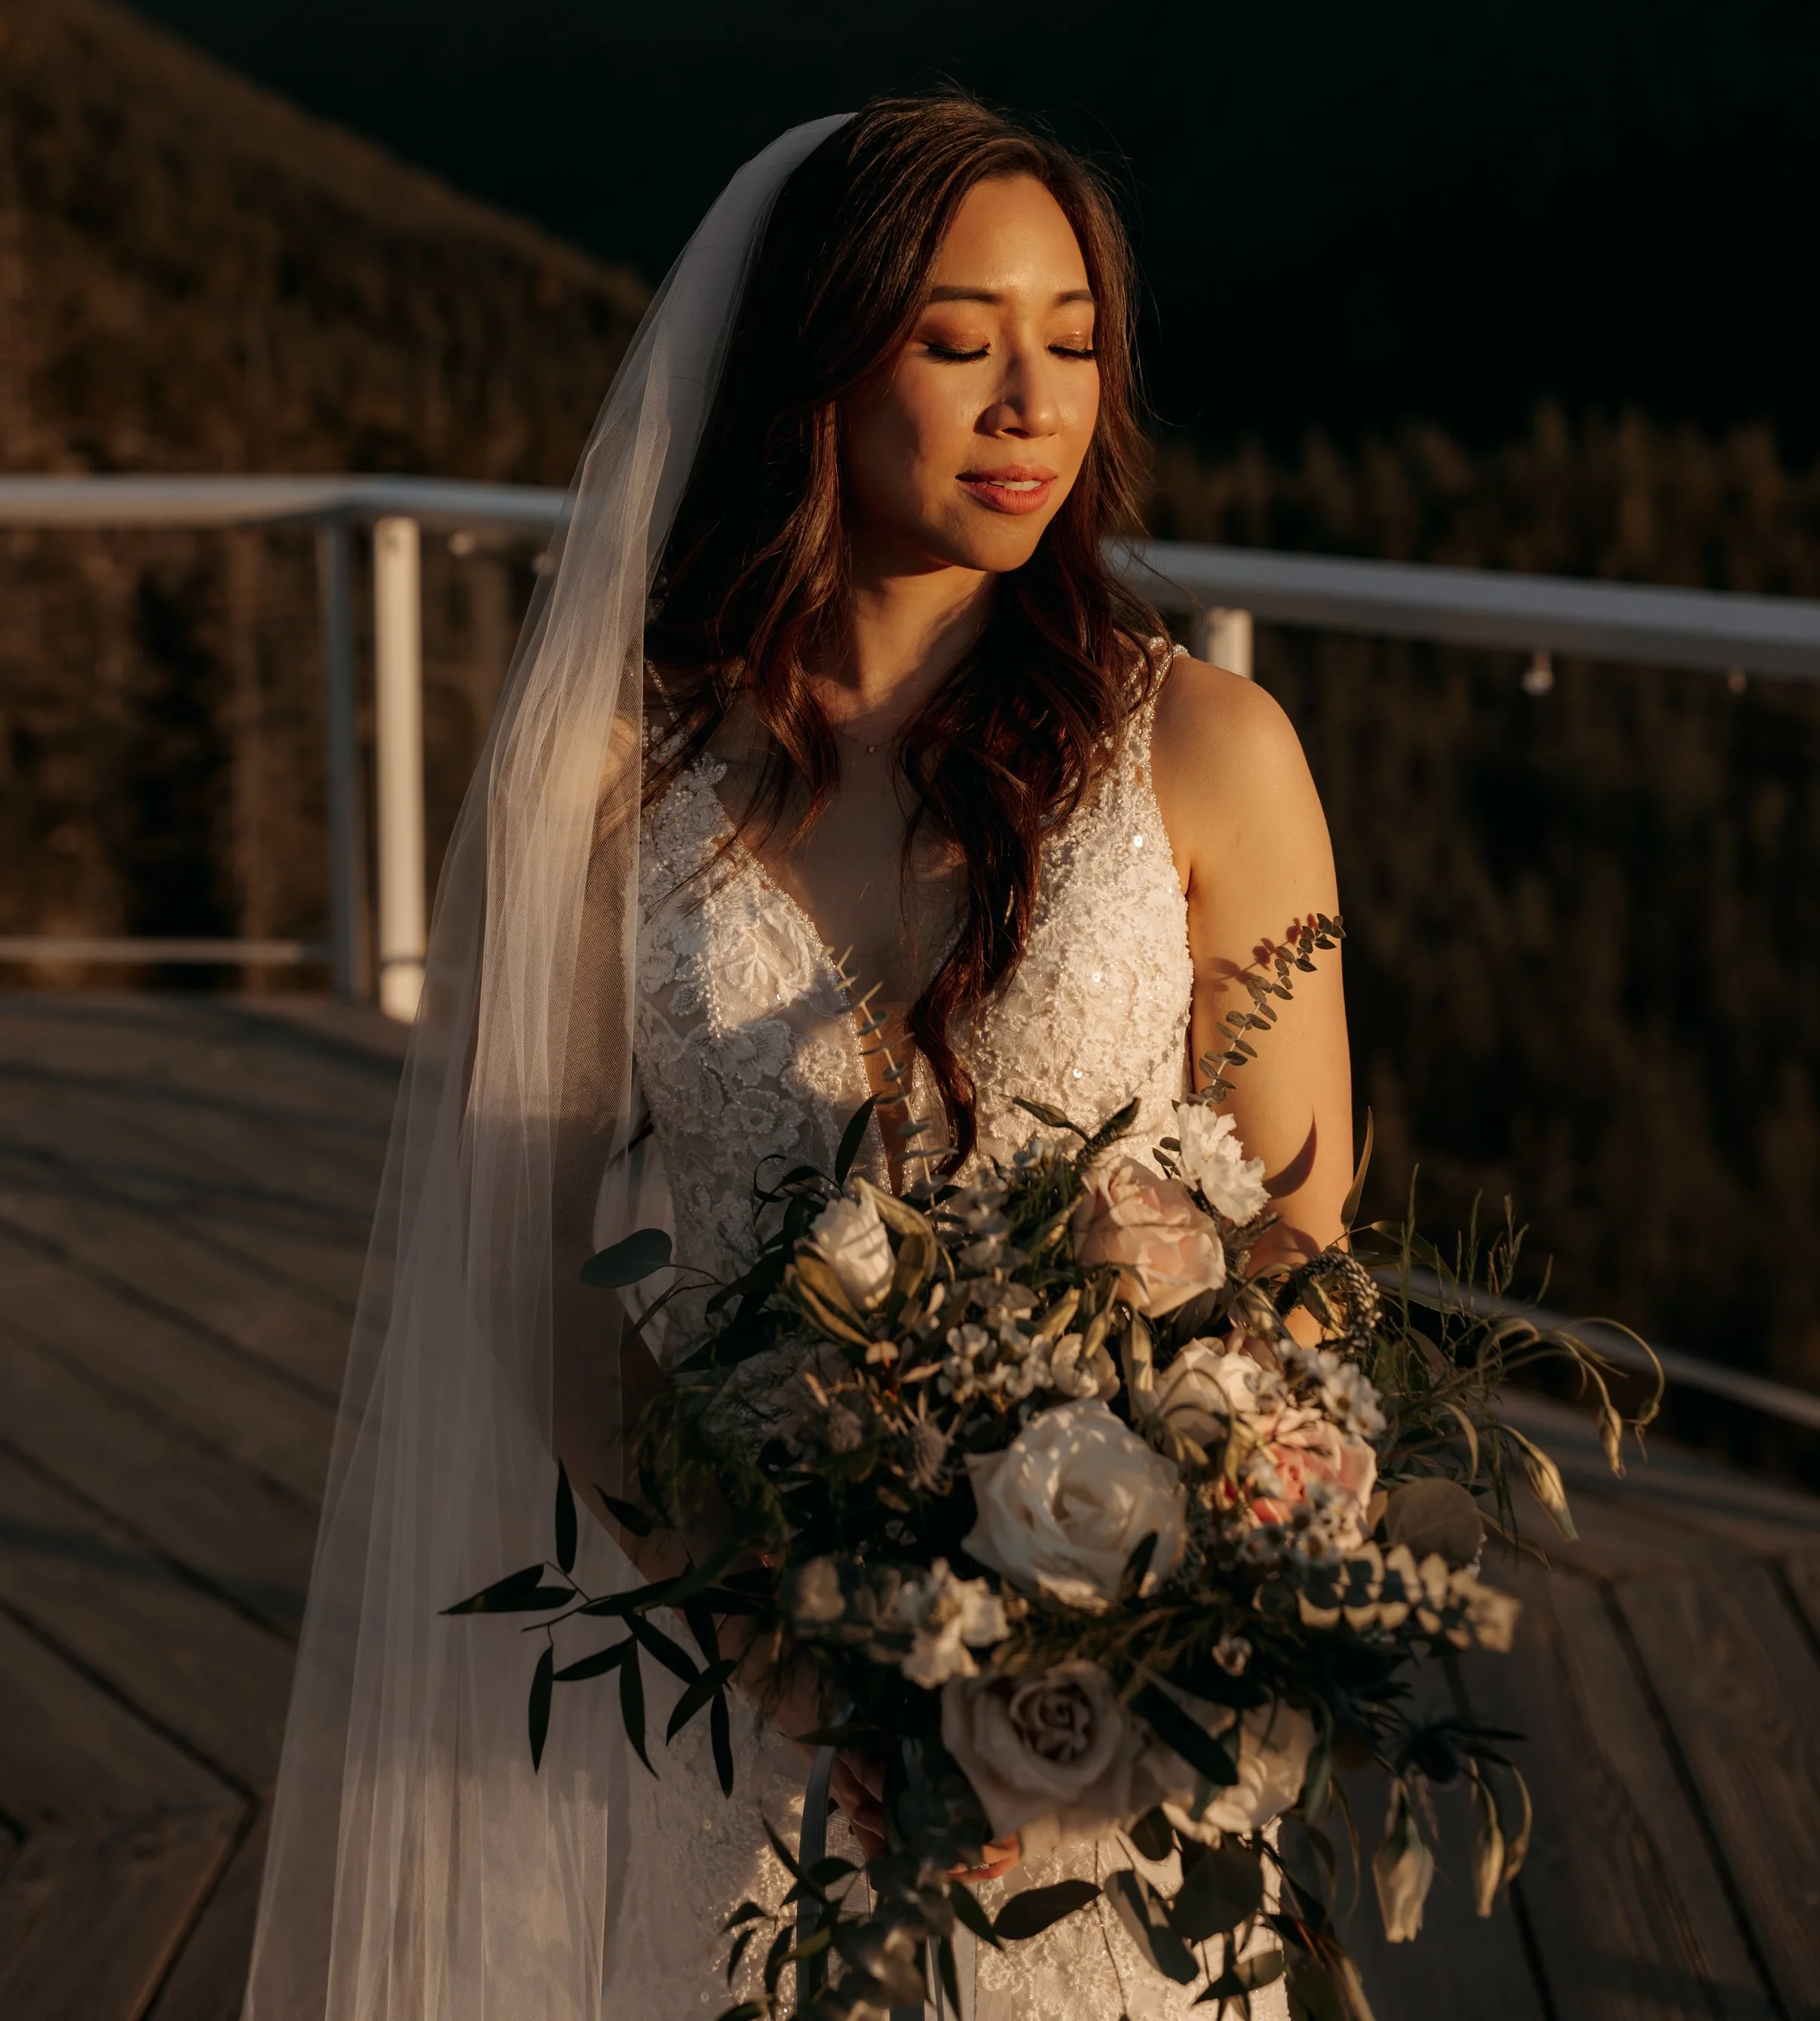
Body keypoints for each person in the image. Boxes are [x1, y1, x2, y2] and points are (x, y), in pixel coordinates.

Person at [244, 98, 1352, 2021]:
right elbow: (532, 1265)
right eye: (956, 338)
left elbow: (1302, 1237)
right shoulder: (612, 779)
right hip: (748, 1692)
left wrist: (1129, 1607)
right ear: (812, 371)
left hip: (1102, 1707)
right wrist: (787, 1641)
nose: (1033, 400)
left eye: (1074, 339)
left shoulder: (1206, 749)